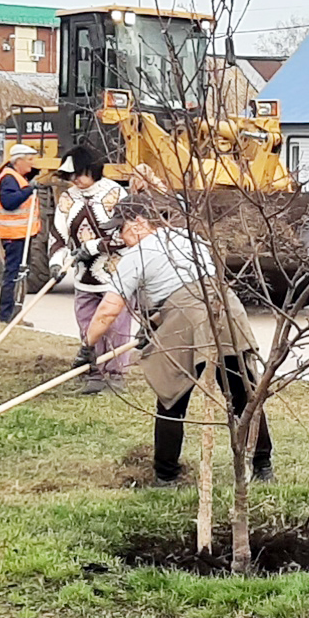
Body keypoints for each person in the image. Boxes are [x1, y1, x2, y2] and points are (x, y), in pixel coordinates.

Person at [79, 199, 272, 484]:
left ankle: (165, 476)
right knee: (243, 393)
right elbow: (187, 288)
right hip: (225, 309)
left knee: (171, 397)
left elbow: (108, 310)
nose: (120, 237)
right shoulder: (190, 237)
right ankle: (263, 467)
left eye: (121, 229)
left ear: (139, 222)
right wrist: (153, 326)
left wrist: (87, 347)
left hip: (189, 318)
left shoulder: (136, 257)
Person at [51, 144, 131, 395]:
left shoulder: (115, 193)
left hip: (115, 276)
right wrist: (56, 261)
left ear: (93, 169)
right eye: (72, 175)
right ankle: (94, 373)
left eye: (81, 173)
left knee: (116, 327)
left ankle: (116, 375)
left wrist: (95, 246)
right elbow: (59, 234)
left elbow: (129, 234)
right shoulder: (68, 198)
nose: (76, 180)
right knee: (87, 325)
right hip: (83, 278)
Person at [0, 141, 42, 322]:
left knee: (17, 274)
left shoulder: (15, 176)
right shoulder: (9, 178)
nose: (32, 164)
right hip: (13, 235)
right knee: (12, 275)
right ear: (19, 161)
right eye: (30, 160)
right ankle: (6, 315)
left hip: (20, 234)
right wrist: (30, 189)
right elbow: (9, 202)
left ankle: (13, 314)